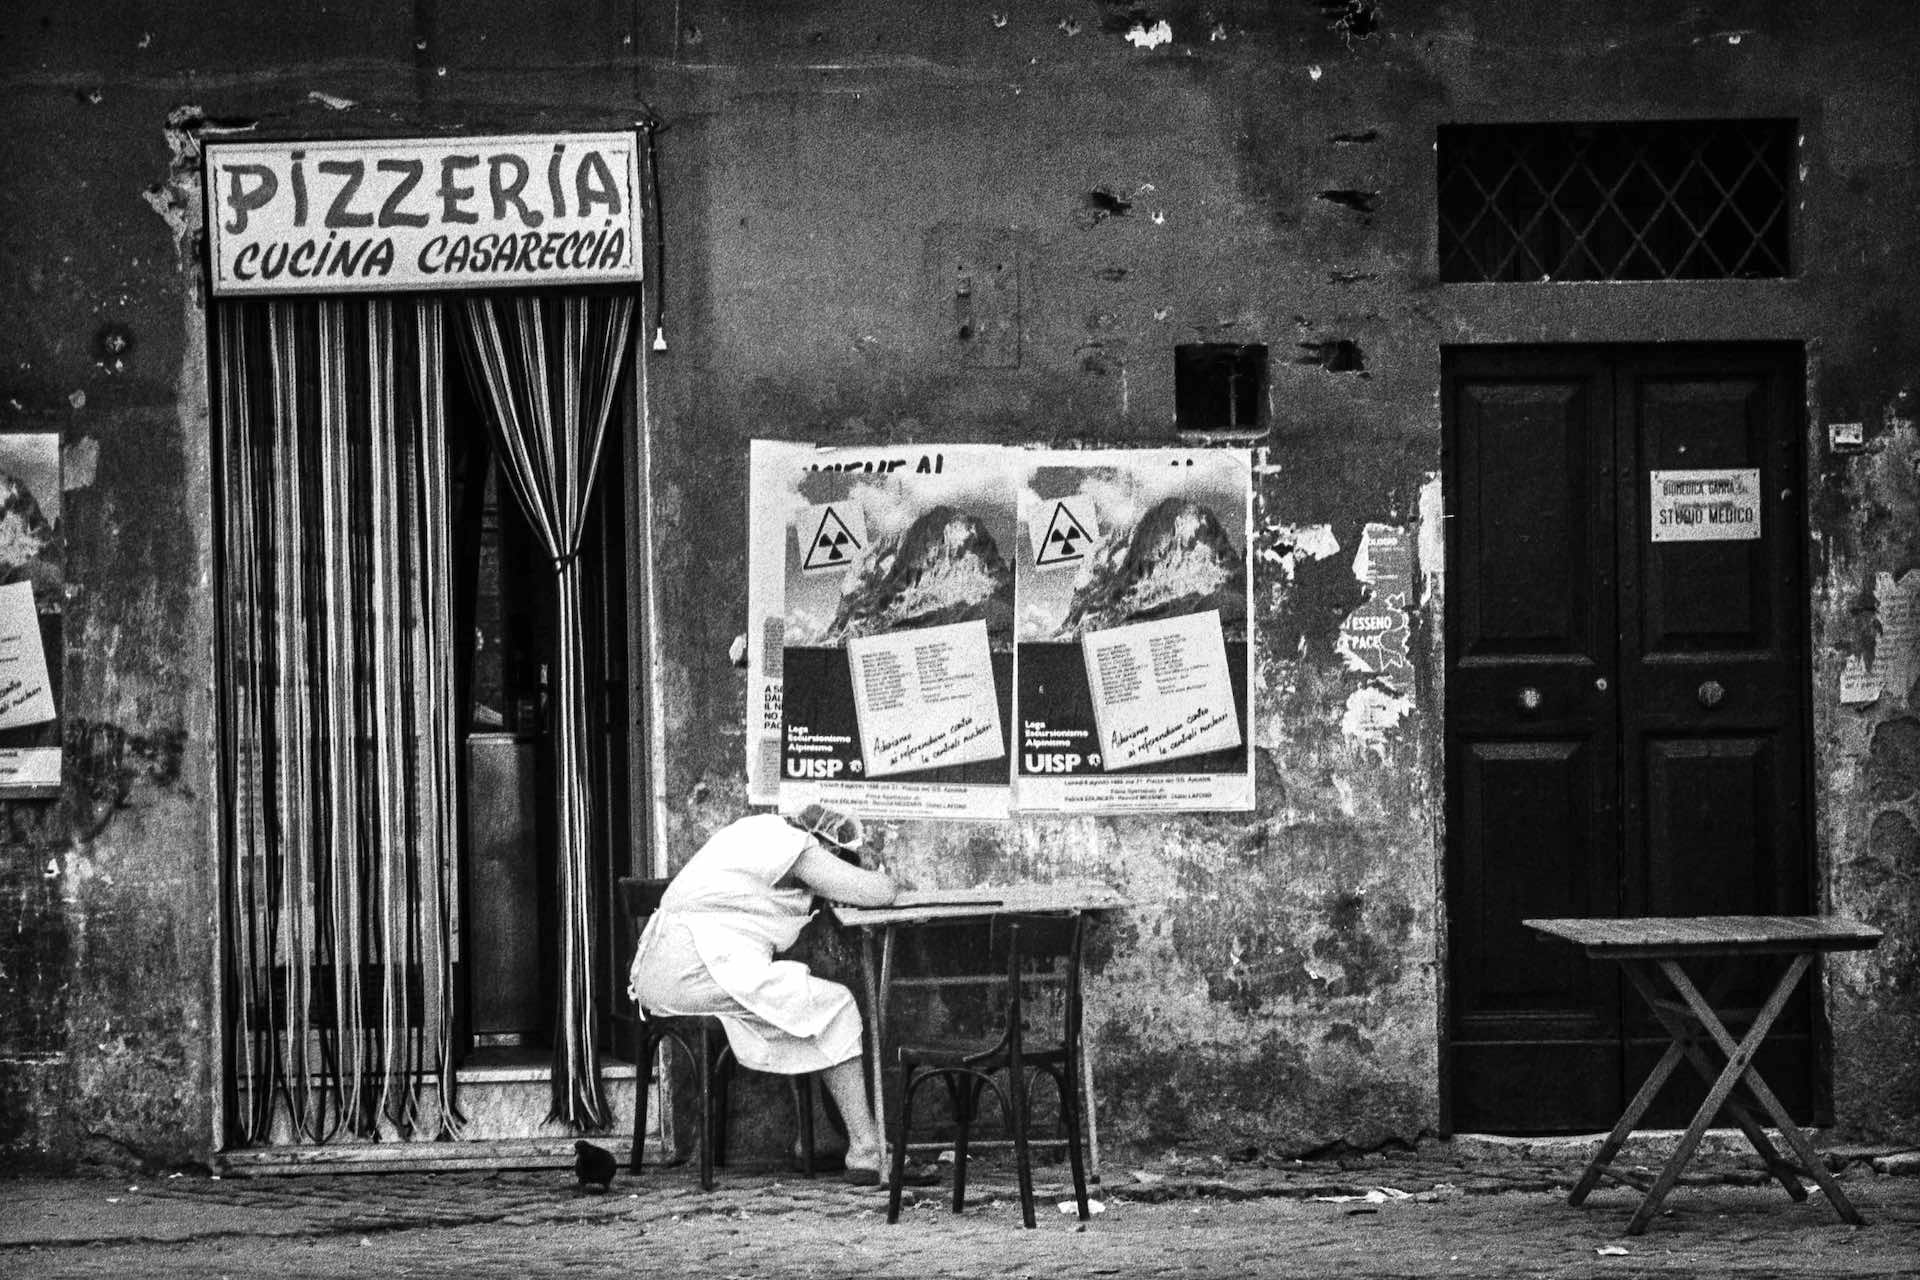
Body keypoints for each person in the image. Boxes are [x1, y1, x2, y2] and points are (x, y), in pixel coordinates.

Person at [627, 803, 926, 1185]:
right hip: (697, 965)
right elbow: (871, 892)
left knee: (796, 1007)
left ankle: (816, 1138)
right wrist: (891, 883)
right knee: (835, 1006)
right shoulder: (793, 845)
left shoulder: (759, 829)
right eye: (837, 855)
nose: (832, 860)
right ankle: (867, 1149)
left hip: (678, 964)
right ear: (827, 844)